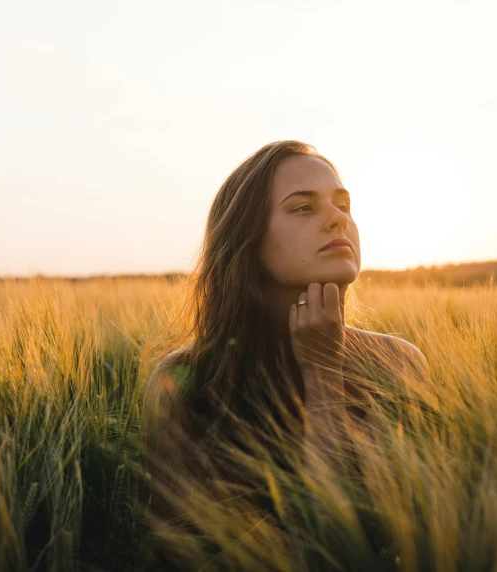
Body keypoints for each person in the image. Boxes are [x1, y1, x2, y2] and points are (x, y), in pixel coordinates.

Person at [140, 140, 429, 567]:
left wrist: (323, 373)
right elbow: (177, 555)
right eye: (303, 208)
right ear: (248, 239)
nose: (338, 220)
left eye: (343, 205)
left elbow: (365, 541)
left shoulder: (400, 363)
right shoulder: (184, 382)